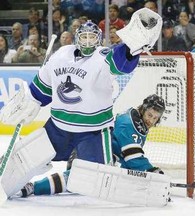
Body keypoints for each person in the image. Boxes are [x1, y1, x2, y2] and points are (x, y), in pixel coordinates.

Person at [0, 8, 163, 199]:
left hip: (92, 132)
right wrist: (30, 100)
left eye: (91, 38)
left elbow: (121, 61)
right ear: (77, 38)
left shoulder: (103, 56)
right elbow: (43, 87)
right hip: (59, 127)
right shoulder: (61, 54)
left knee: (90, 177)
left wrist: (131, 45)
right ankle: (4, 182)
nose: (87, 41)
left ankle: (35, 187)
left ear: (99, 39)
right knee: (25, 159)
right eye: (83, 37)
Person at [18, 94, 166, 197]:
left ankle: (35, 186)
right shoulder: (129, 124)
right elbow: (132, 156)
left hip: (95, 153)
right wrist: (151, 170)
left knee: (82, 181)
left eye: (155, 117)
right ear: (143, 109)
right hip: (89, 152)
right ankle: (33, 187)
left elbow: (127, 159)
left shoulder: (138, 122)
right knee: (81, 179)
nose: (151, 120)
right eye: (149, 115)